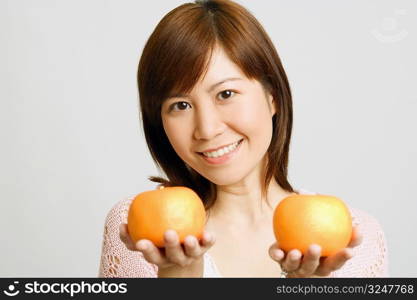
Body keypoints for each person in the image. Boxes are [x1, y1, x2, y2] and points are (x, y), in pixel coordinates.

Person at [98, 0, 388, 278]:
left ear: (272, 96)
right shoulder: (141, 232)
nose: (207, 129)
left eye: (226, 94)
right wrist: (177, 275)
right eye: (181, 105)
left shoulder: (354, 240)